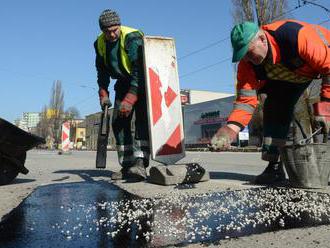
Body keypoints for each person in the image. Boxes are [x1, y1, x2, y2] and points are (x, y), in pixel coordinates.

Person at [211, 20, 330, 184]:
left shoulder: (295, 36)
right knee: (274, 108)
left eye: (249, 52)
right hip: (292, 79)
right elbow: (246, 102)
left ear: (262, 39)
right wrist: (229, 131)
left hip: (323, 64)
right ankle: (274, 168)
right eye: (243, 55)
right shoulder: (247, 65)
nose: (248, 58)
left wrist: (326, 107)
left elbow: (328, 67)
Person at [94, 9, 149, 181]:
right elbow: (101, 70)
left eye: (115, 29)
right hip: (123, 82)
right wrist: (103, 92)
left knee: (141, 121)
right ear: (102, 30)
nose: (112, 34)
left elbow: (138, 70)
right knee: (118, 121)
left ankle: (140, 164)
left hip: (143, 81)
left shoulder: (132, 38)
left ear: (119, 25)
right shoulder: (99, 43)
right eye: (107, 31)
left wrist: (131, 98)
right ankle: (126, 165)